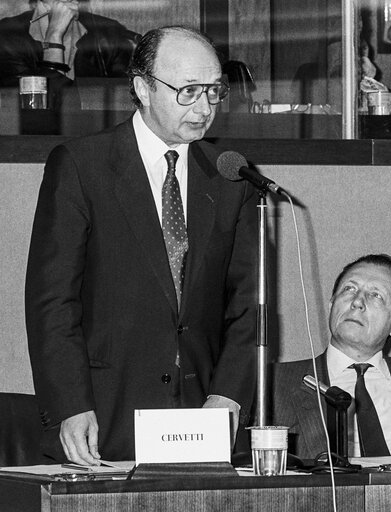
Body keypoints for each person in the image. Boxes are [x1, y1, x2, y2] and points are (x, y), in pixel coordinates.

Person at [25, 26, 260, 465]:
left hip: (205, 419)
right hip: (105, 416)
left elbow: (248, 306)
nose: (204, 107)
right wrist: (70, 405)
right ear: (142, 88)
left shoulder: (232, 178)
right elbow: (51, 301)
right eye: (189, 91)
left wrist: (228, 396)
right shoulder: (81, 166)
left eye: (214, 91)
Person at [271, 254, 391, 460]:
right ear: (331, 305)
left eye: (376, 295)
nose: (357, 302)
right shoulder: (273, 383)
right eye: (349, 289)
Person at [0, 1, 140, 91]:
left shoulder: (110, 32)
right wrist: (54, 36)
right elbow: (32, 108)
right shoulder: (8, 33)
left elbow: (120, 101)